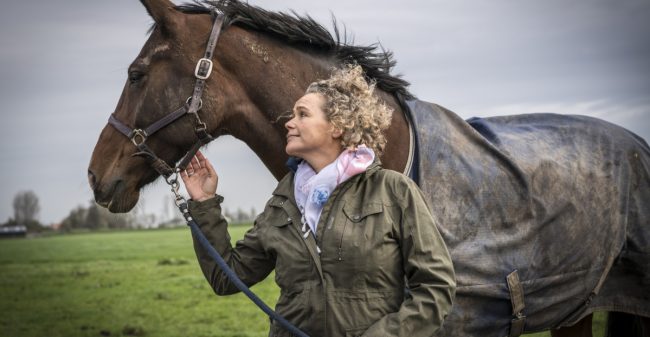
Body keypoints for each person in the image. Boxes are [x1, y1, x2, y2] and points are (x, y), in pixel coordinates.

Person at [181, 65, 456, 337]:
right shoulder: (282, 201)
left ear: (338, 126)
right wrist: (204, 202)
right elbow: (227, 277)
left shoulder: (393, 190)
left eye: (303, 114)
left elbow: (436, 288)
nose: (289, 122)